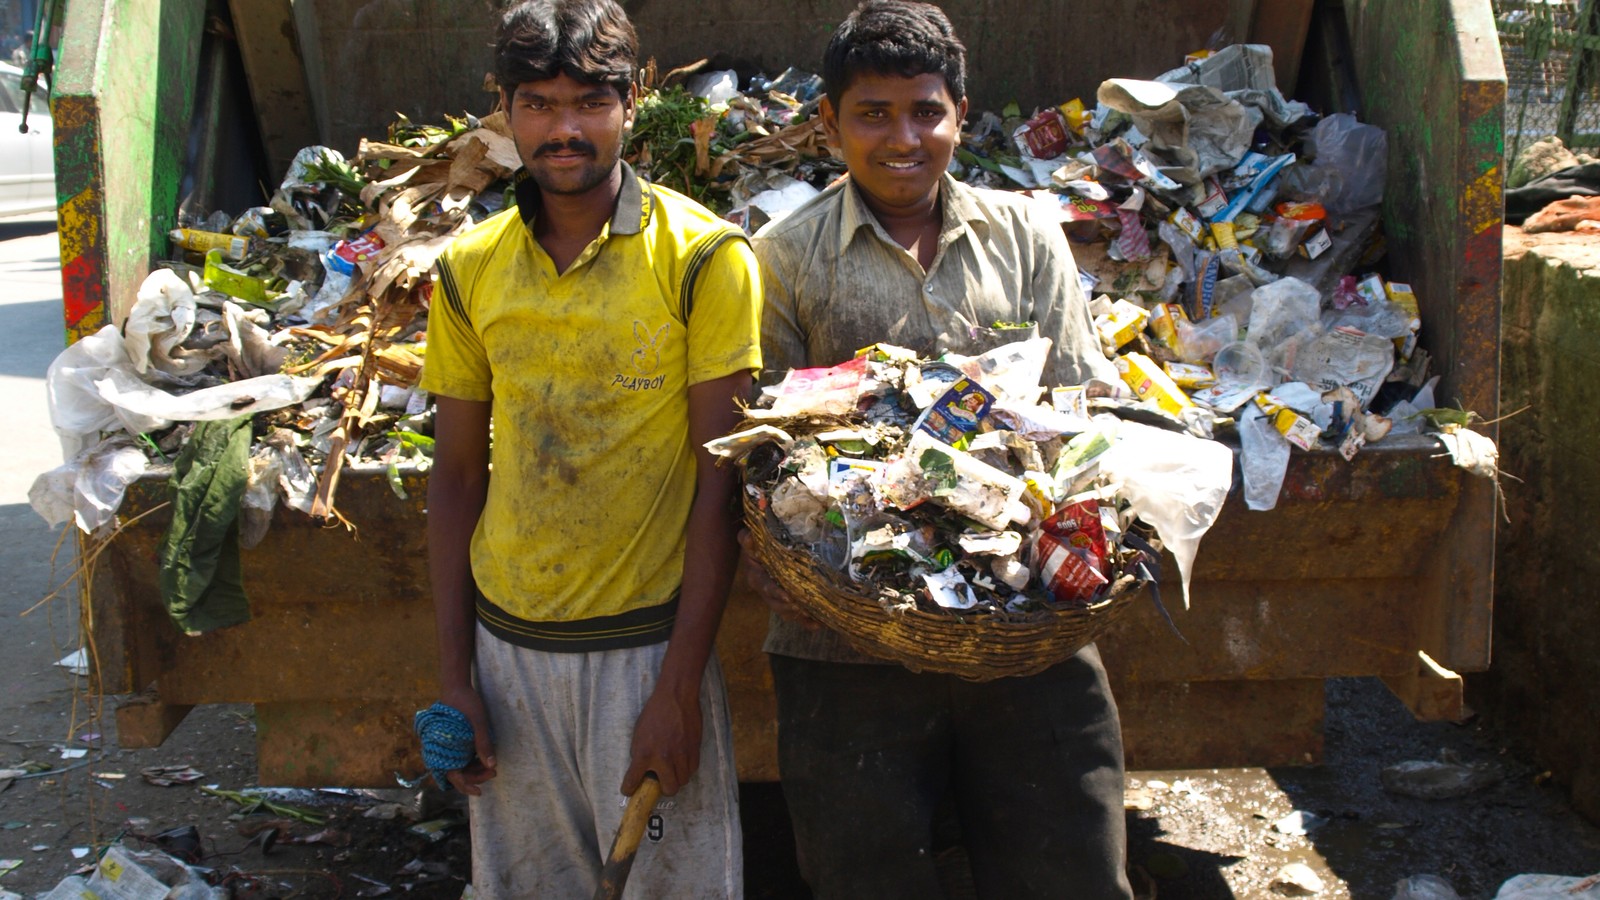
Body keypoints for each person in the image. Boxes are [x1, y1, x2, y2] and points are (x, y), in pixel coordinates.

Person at [748, 2, 1134, 897]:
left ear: (961, 112)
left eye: (925, 111)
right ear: (830, 124)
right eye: (871, 114)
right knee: (863, 875)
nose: (901, 138)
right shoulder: (783, 258)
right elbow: (757, 449)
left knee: (1070, 867)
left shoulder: (1027, 233)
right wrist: (763, 555)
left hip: (1026, 627)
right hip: (844, 643)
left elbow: (1079, 406)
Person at [418, 1, 761, 896]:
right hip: (509, 657)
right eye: (537, 102)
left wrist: (678, 688)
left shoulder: (705, 258)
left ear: (635, 99)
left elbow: (719, 488)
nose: (563, 129)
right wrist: (457, 676)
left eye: (589, 102)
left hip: (645, 655)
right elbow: (455, 479)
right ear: (503, 108)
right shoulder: (470, 266)